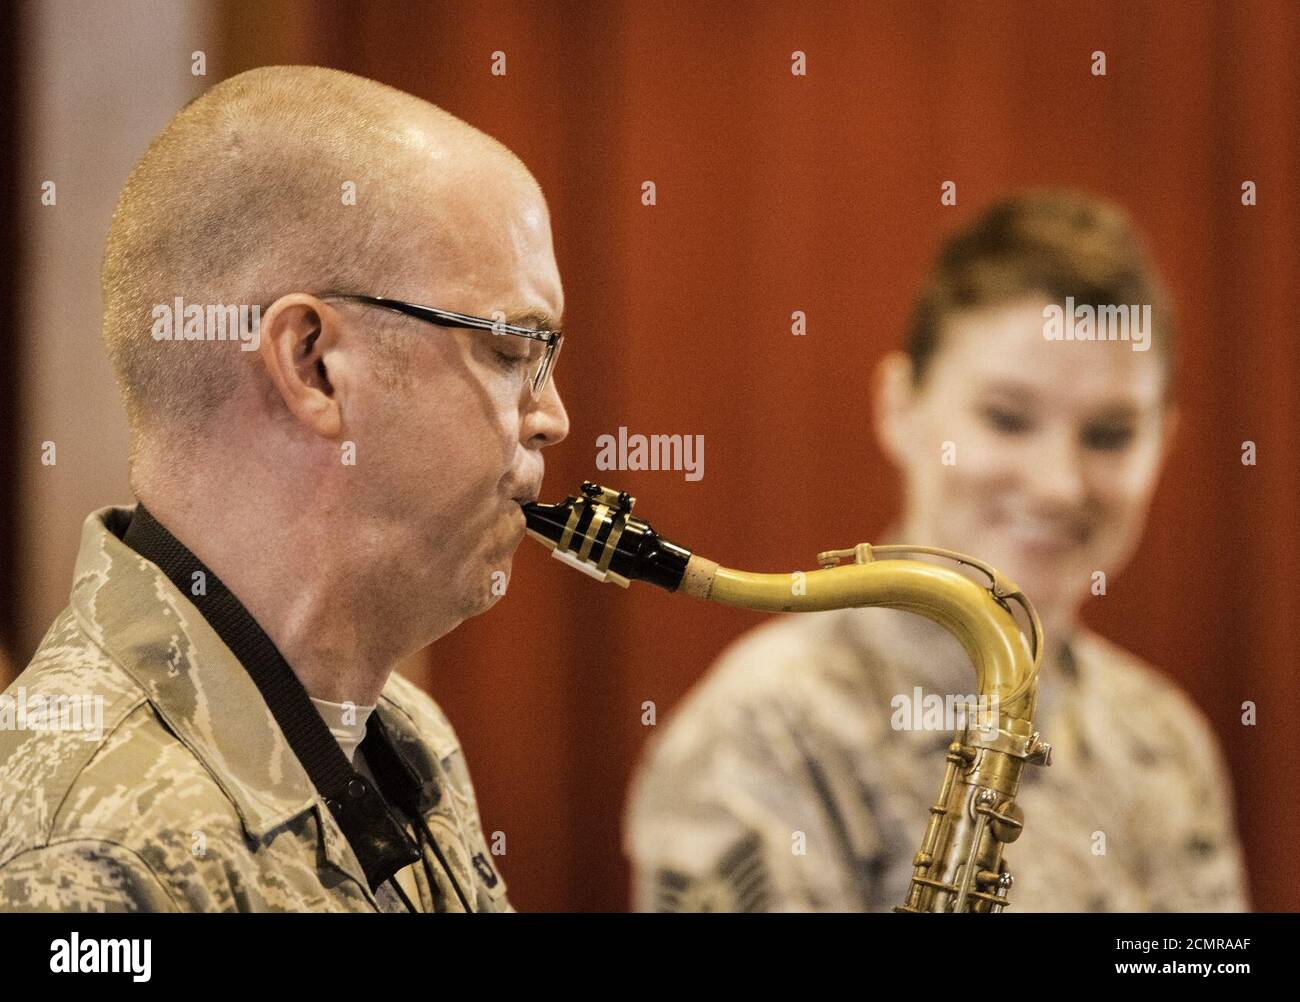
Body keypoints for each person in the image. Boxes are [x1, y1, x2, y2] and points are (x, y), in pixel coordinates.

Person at [0, 65, 569, 912]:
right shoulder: (89, 854)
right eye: (510, 350)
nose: (551, 417)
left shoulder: (399, 735)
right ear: (314, 365)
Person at [624, 190, 1250, 912]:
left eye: (1109, 435)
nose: (1056, 485)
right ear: (900, 407)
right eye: (1007, 418)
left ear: (1163, 445)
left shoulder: (1167, 736)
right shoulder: (760, 730)